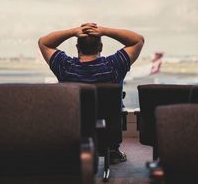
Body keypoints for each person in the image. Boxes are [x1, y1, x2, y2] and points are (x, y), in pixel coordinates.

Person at [38, 23, 144, 163]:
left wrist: (73, 31)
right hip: (108, 135)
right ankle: (112, 151)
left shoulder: (65, 67)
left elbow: (43, 42)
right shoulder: (114, 66)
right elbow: (138, 40)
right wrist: (104, 31)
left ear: (77, 48)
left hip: (74, 134)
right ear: (100, 47)